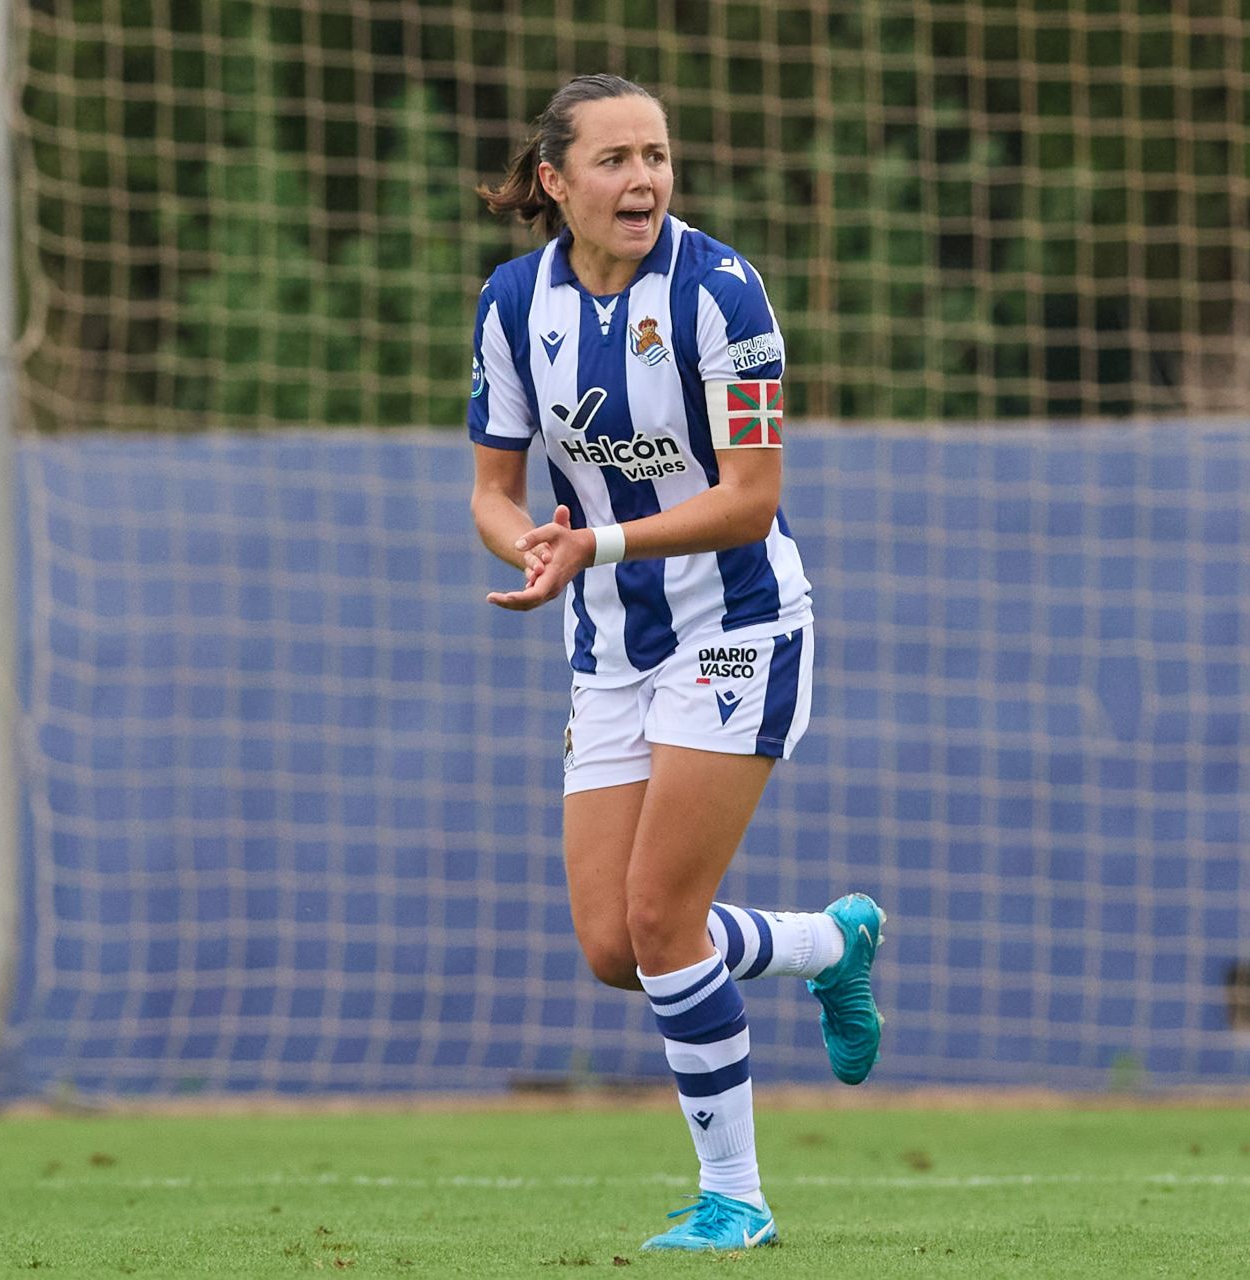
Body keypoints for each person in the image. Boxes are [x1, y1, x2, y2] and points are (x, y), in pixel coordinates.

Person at [467, 73, 886, 1252]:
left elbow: (751, 502)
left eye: (656, 154)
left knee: (662, 918)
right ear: (556, 181)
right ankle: (825, 942)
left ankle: (737, 1199)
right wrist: (538, 549)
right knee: (615, 945)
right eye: (614, 159)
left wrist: (592, 537)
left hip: (738, 625)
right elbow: (497, 494)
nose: (644, 178)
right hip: (609, 644)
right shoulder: (513, 306)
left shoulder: (720, 290)